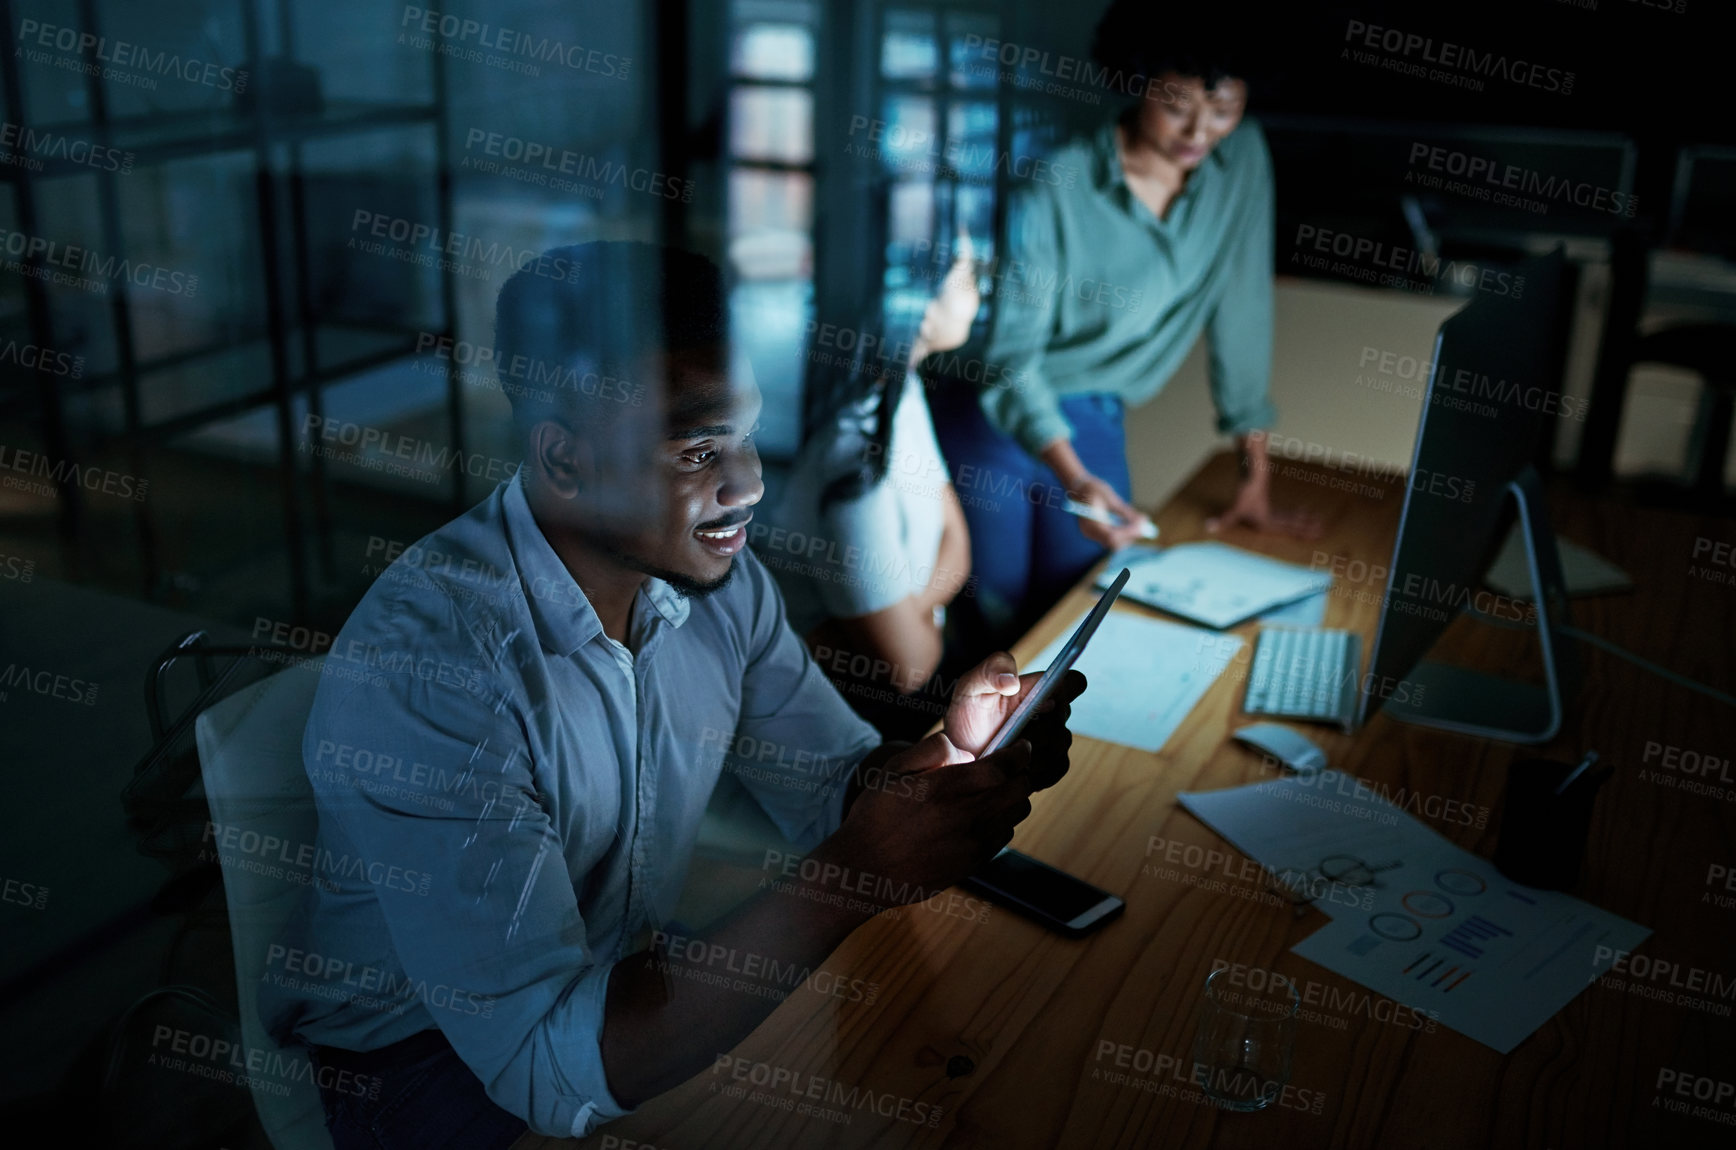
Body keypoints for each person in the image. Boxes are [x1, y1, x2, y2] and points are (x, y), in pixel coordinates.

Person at [259, 241, 1084, 1148]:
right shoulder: (432, 667)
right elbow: (544, 1063)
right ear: (565, 462)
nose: (750, 485)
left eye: (745, 433)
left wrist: (948, 755)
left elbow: (831, 787)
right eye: (698, 448)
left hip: (612, 974)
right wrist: (860, 874)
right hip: (420, 1063)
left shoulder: (717, 584)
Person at [931, 2, 1320, 651]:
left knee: (1081, 609)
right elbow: (1011, 359)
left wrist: (1254, 473)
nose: (1200, 131)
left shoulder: (1243, 161)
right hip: (990, 410)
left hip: (1094, 408)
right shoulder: (1058, 184)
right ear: (1138, 82)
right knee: (991, 629)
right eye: (1177, 106)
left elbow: (1244, 310)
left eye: (1223, 108)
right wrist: (1075, 476)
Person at [763, 243, 979, 739]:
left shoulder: (896, 385)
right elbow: (907, 672)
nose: (980, 288)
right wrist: (902, 626)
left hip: (923, 657)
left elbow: (957, 536)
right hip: (861, 722)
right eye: (968, 273)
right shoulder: (851, 445)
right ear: (920, 302)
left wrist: (904, 614)